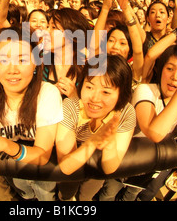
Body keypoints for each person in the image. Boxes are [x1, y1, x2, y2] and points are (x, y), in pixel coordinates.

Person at [0, 26, 63, 201]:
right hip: (17, 172)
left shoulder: (47, 93)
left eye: (22, 60)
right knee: (24, 192)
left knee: (46, 195)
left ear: (35, 63)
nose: (12, 69)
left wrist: (3, 144)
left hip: (44, 172)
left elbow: (42, 155)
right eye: (3, 60)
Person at [100, 44, 177, 201]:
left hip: (147, 170)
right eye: (170, 68)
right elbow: (154, 133)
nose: (175, 77)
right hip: (123, 161)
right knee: (108, 195)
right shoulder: (146, 90)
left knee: (130, 197)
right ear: (160, 68)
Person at [55, 54, 136, 201]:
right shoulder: (70, 107)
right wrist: (94, 141)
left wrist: (110, 143)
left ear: (121, 94)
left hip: (97, 168)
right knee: (66, 193)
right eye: (89, 87)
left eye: (106, 91)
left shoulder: (125, 113)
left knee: (87, 196)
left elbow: (110, 167)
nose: (94, 98)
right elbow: (66, 166)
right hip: (74, 160)